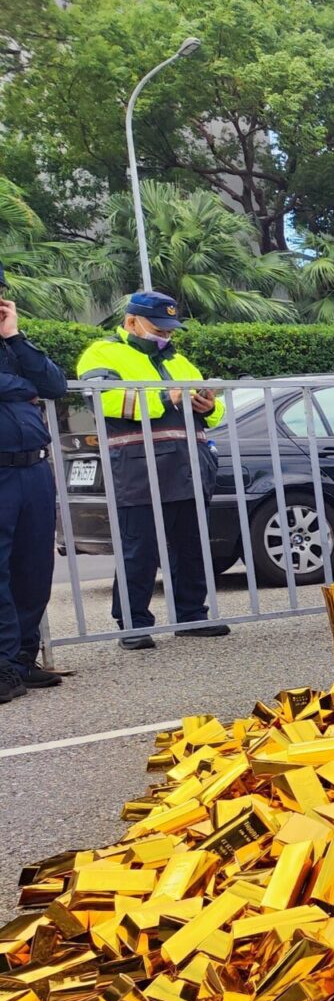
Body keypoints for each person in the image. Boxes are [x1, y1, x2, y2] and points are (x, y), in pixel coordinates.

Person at [77, 292, 232, 650]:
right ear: (131, 322)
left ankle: (191, 616)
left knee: (191, 548)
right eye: (158, 327)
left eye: (170, 328)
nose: (166, 335)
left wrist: (209, 406)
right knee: (139, 550)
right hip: (139, 469)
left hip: (187, 466)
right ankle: (133, 625)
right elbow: (104, 401)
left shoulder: (179, 360)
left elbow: (216, 412)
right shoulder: (101, 353)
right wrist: (166, 396)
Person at [0, 263, 69, 697]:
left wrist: (14, 337)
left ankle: (22, 659)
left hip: (33, 470)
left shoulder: (12, 344)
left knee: (34, 568)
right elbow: (27, 388)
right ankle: (3, 665)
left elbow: (54, 384)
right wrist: (22, 387)